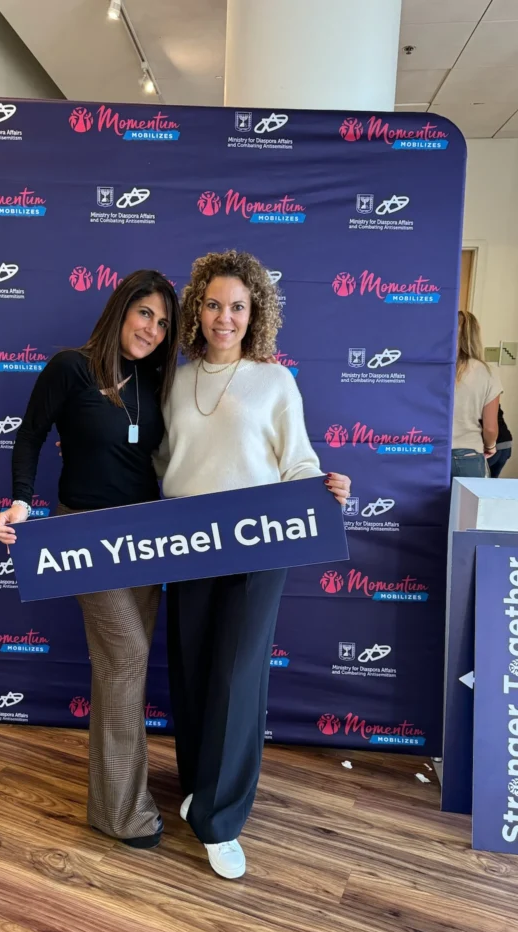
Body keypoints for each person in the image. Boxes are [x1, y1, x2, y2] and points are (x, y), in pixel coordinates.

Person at [157, 250, 351, 879]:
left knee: (239, 678)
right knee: (191, 670)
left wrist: (324, 488)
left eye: (237, 306)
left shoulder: (274, 381)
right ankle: (198, 788)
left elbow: (296, 460)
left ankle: (222, 818)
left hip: (259, 543)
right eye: (214, 303)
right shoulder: (174, 381)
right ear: (198, 308)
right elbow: (161, 465)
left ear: (255, 314)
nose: (224, 316)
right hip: (186, 542)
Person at [0, 270, 180, 848]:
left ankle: (108, 799)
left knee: (119, 669)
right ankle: (123, 812)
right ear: (122, 309)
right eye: (145, 313)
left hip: (144, 539)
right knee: (124, 659)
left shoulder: (158, 380)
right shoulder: (71, 367)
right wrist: (22, 502)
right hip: (85, 534)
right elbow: (29, 435)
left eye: (163, 321)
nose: (152, 329)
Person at [452, 311, 502, 479]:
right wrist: (491, 445)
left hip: (432, 454)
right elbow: (490, 427)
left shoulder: (435, 369)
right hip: (468, 457)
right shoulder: (486, 373)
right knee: (468, 507)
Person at [488, 405, 513, 478]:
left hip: (493, 445)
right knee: (492, 481)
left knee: (479, 482)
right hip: (506, 443)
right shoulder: (491, 397)